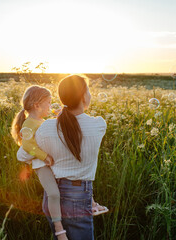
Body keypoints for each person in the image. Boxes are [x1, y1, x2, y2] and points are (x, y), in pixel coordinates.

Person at [17, 75, 108, 240]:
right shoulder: (99, 124)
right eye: (88, 90)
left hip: (53, 196)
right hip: (78, 197)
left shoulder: (45, 127)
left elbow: (22, 154)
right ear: (83, 96)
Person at [11, 85, 68, 240]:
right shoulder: (29, 124)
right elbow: (27, 145)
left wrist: (60, 118)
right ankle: (58, 228)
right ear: (37, 105)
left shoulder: (41, 121)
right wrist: (44, 156)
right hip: (42, 166)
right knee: (54, 194)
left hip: (50, 164)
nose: (50, 106)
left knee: (60, 191)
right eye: (48, 103)